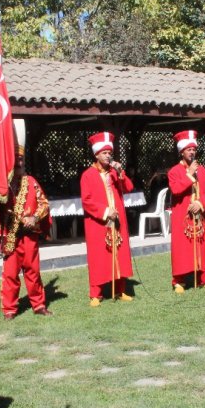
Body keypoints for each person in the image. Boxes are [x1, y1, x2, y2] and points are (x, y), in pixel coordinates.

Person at [0, 128, 52, 320]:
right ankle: (9, 310)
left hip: (29, 235)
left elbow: (44, 204)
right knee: (10, 276)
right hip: (9, 235)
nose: (18, 162)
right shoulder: (0, 184)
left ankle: (38, 305)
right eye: (14, 159)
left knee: (33, 272)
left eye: (20, 159)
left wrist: (35, 218)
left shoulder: (31, 181)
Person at [80, 131, 135, 306]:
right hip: (98, 222)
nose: (108, 155)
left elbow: (129, 188)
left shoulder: (115, 172)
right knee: (98, 256)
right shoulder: (87, 175)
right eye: (104, 153)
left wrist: (121, 173)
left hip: (117, 222)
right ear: (96, 154)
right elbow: (87, 201)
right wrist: (105, 211)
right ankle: (96, 294)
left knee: (120, 253)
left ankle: (120, 289)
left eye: (109, 153)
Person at [168, 130, 205, 292]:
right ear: (182, 152)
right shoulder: (174, 171)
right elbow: (175, 190)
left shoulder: (202, 170)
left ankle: (203, 278)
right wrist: (188, 174)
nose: (192, 152)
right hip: (182, 217)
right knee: (181, 249)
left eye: (193, 149)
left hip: (199, 216)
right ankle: (178, 281)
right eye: (188, 149)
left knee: (200, 247)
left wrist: (201, 203)